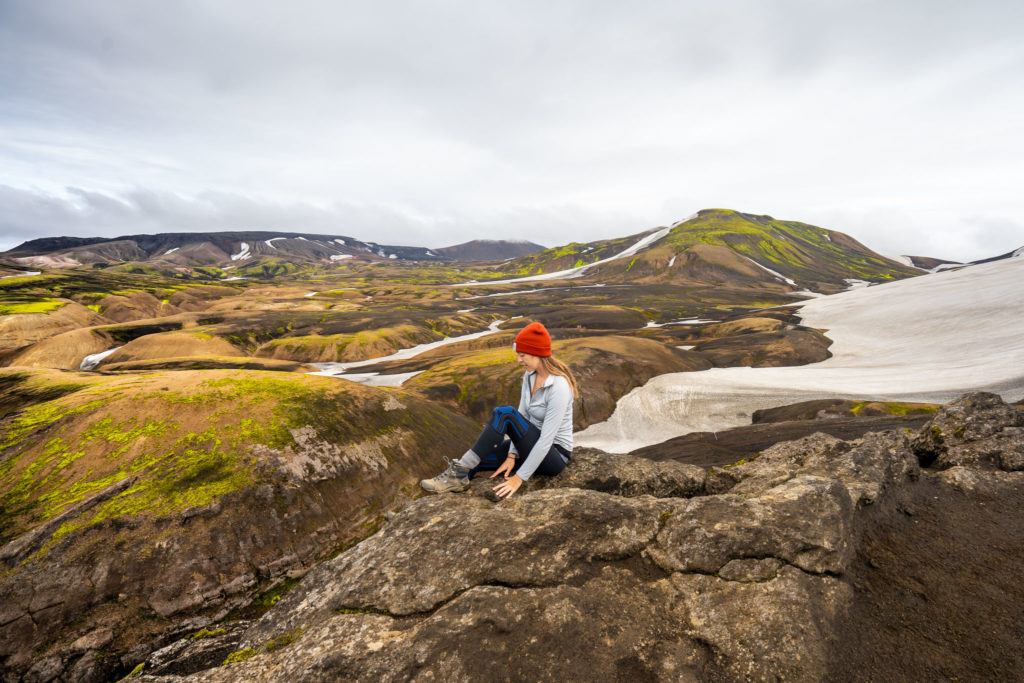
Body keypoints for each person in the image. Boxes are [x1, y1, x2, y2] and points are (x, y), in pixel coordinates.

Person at [420, 321, 577, 499]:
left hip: (554, 456)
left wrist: (518, 479)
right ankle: (453, 484)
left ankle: (458, 473)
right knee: (475, 463)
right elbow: (523, 416)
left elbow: (546, 440)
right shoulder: (529, 376)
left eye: (522, 355)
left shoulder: (559, 387)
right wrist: (511, 455)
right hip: (529, 447)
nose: (519, 360)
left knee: (505, 413)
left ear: (537, 354)